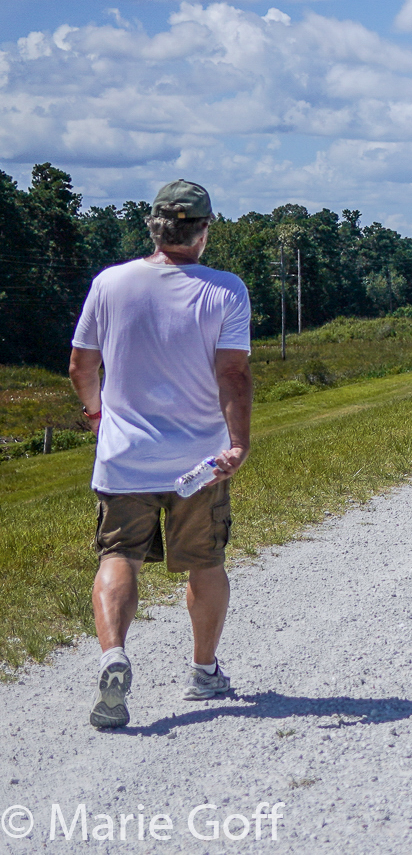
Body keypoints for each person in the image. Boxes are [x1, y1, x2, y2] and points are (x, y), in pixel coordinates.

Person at [68, 180, 252, 730]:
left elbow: (81, 367)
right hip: (199, 459)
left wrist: (99, 417)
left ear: (154, 226)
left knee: (117, 555)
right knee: (204, 561)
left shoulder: (111, 283)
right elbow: (234, 373)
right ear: (203, 230)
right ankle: (203, 671)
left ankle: (114, 656)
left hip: (124, 458)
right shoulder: (225, 290)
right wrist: (238, 442)